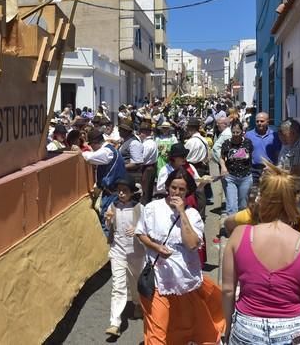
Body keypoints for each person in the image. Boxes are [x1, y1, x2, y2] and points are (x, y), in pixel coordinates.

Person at [221, 162, 300, 344]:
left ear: (261, 199)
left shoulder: (239, 235)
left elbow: (228, 290)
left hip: (246, 328)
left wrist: (228, 328)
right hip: (294, 334)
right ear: (296, 199)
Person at [136, 167, 225, 344]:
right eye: (173, 187)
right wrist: (156, 247)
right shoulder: (152, 208)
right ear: (167, 187)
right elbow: (141, 233)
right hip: (158, 280)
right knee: (157, 328)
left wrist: (182, 212)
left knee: (189, 324)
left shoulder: (192, 215)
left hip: (184, 281)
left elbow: (192, 244)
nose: (176, 192)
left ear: (187, 191)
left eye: (181, 189)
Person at [103, 175, 145, 338]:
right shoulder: (112, 206)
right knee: (118, 286)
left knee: (135, 282)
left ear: (131, 193)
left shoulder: (139, 208)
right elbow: (109, 225)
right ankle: (115, 323)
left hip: (136, 253)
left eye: (124, 191)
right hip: (117, 252)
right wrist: (108, 220)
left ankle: (138, 304)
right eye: (119, 191)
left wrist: (137, 229)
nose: (121, 194)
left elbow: (147, 227)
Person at [83, 130, 127, 235]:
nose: (92, 148)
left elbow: (89, 157)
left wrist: (79, 152)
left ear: (95, 143)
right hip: (113, 191)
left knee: (107, 222)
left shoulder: (106, 152)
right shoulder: (109, 150)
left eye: (91, 145)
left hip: (112, 192)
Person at [219, 120, 253, 217]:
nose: (235, 134)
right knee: (231, 206)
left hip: (245, 177)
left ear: (242, 132)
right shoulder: (227, 143)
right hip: (231, 177)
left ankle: (241, 227)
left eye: (237, 132)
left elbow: (252, 157)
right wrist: (223, 167)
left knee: (243, 206)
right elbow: (221, 158)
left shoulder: (247, 143)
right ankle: (232, 229)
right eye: (233, 132)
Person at [245, 112, 282, 184]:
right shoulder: (248, 135)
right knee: (254, 193)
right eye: (257, 121)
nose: (259, 123)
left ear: (267, 122)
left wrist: (276, 168)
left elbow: (278, 153)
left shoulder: (274, 135)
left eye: (262, 121)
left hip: (269, 170)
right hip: (253, 171)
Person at [185, 118, 210, 219]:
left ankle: (195, 212)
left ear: (191, 128)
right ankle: (201, 213)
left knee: (194, 191)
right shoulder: (204, 140)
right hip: (202, 166)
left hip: (192, 166)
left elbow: (185, 156)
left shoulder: (191, 142)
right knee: (200, 190)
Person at [138, 121, 158, 205]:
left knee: (145, 191)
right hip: (152, 167)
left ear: (145, 133)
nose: (140, 134)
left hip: (147, 169)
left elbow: (142, 158)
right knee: (148, 190)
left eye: (141, 132)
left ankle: (144, 207)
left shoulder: (146, 144)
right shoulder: (153, 142)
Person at [118, 119, 144, 184]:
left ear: (127, 131)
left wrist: (119, 167)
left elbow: (137, 164)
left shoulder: (134, 143)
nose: (119, 131)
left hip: (132, 177)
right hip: (125, 175)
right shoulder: (125, 141)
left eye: (120, 129)